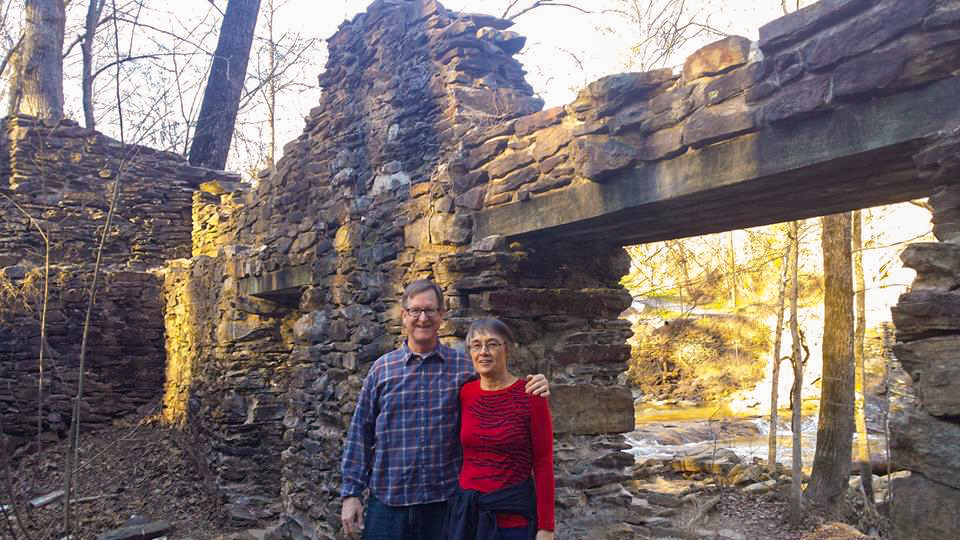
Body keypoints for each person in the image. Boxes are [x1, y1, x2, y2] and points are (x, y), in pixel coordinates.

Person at [340, 280, 550, 540]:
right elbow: (360, 432)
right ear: (404, 315)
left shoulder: (464, 369)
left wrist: (534, 384)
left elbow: (498, 385)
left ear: (441, 315)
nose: (423, 318)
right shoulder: (382, 369)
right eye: (415, 311)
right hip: (389, 504)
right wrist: (351, 494)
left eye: (430, 310)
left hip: (445, 507)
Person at [444, 318, 554, 540]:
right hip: (467, 517)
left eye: (492, 344)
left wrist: (546, 527)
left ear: (508, 349)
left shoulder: (531, 395)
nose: (483, 351)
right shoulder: (466, 393)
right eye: (476, 345)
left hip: (512, 522)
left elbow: (543, 463)